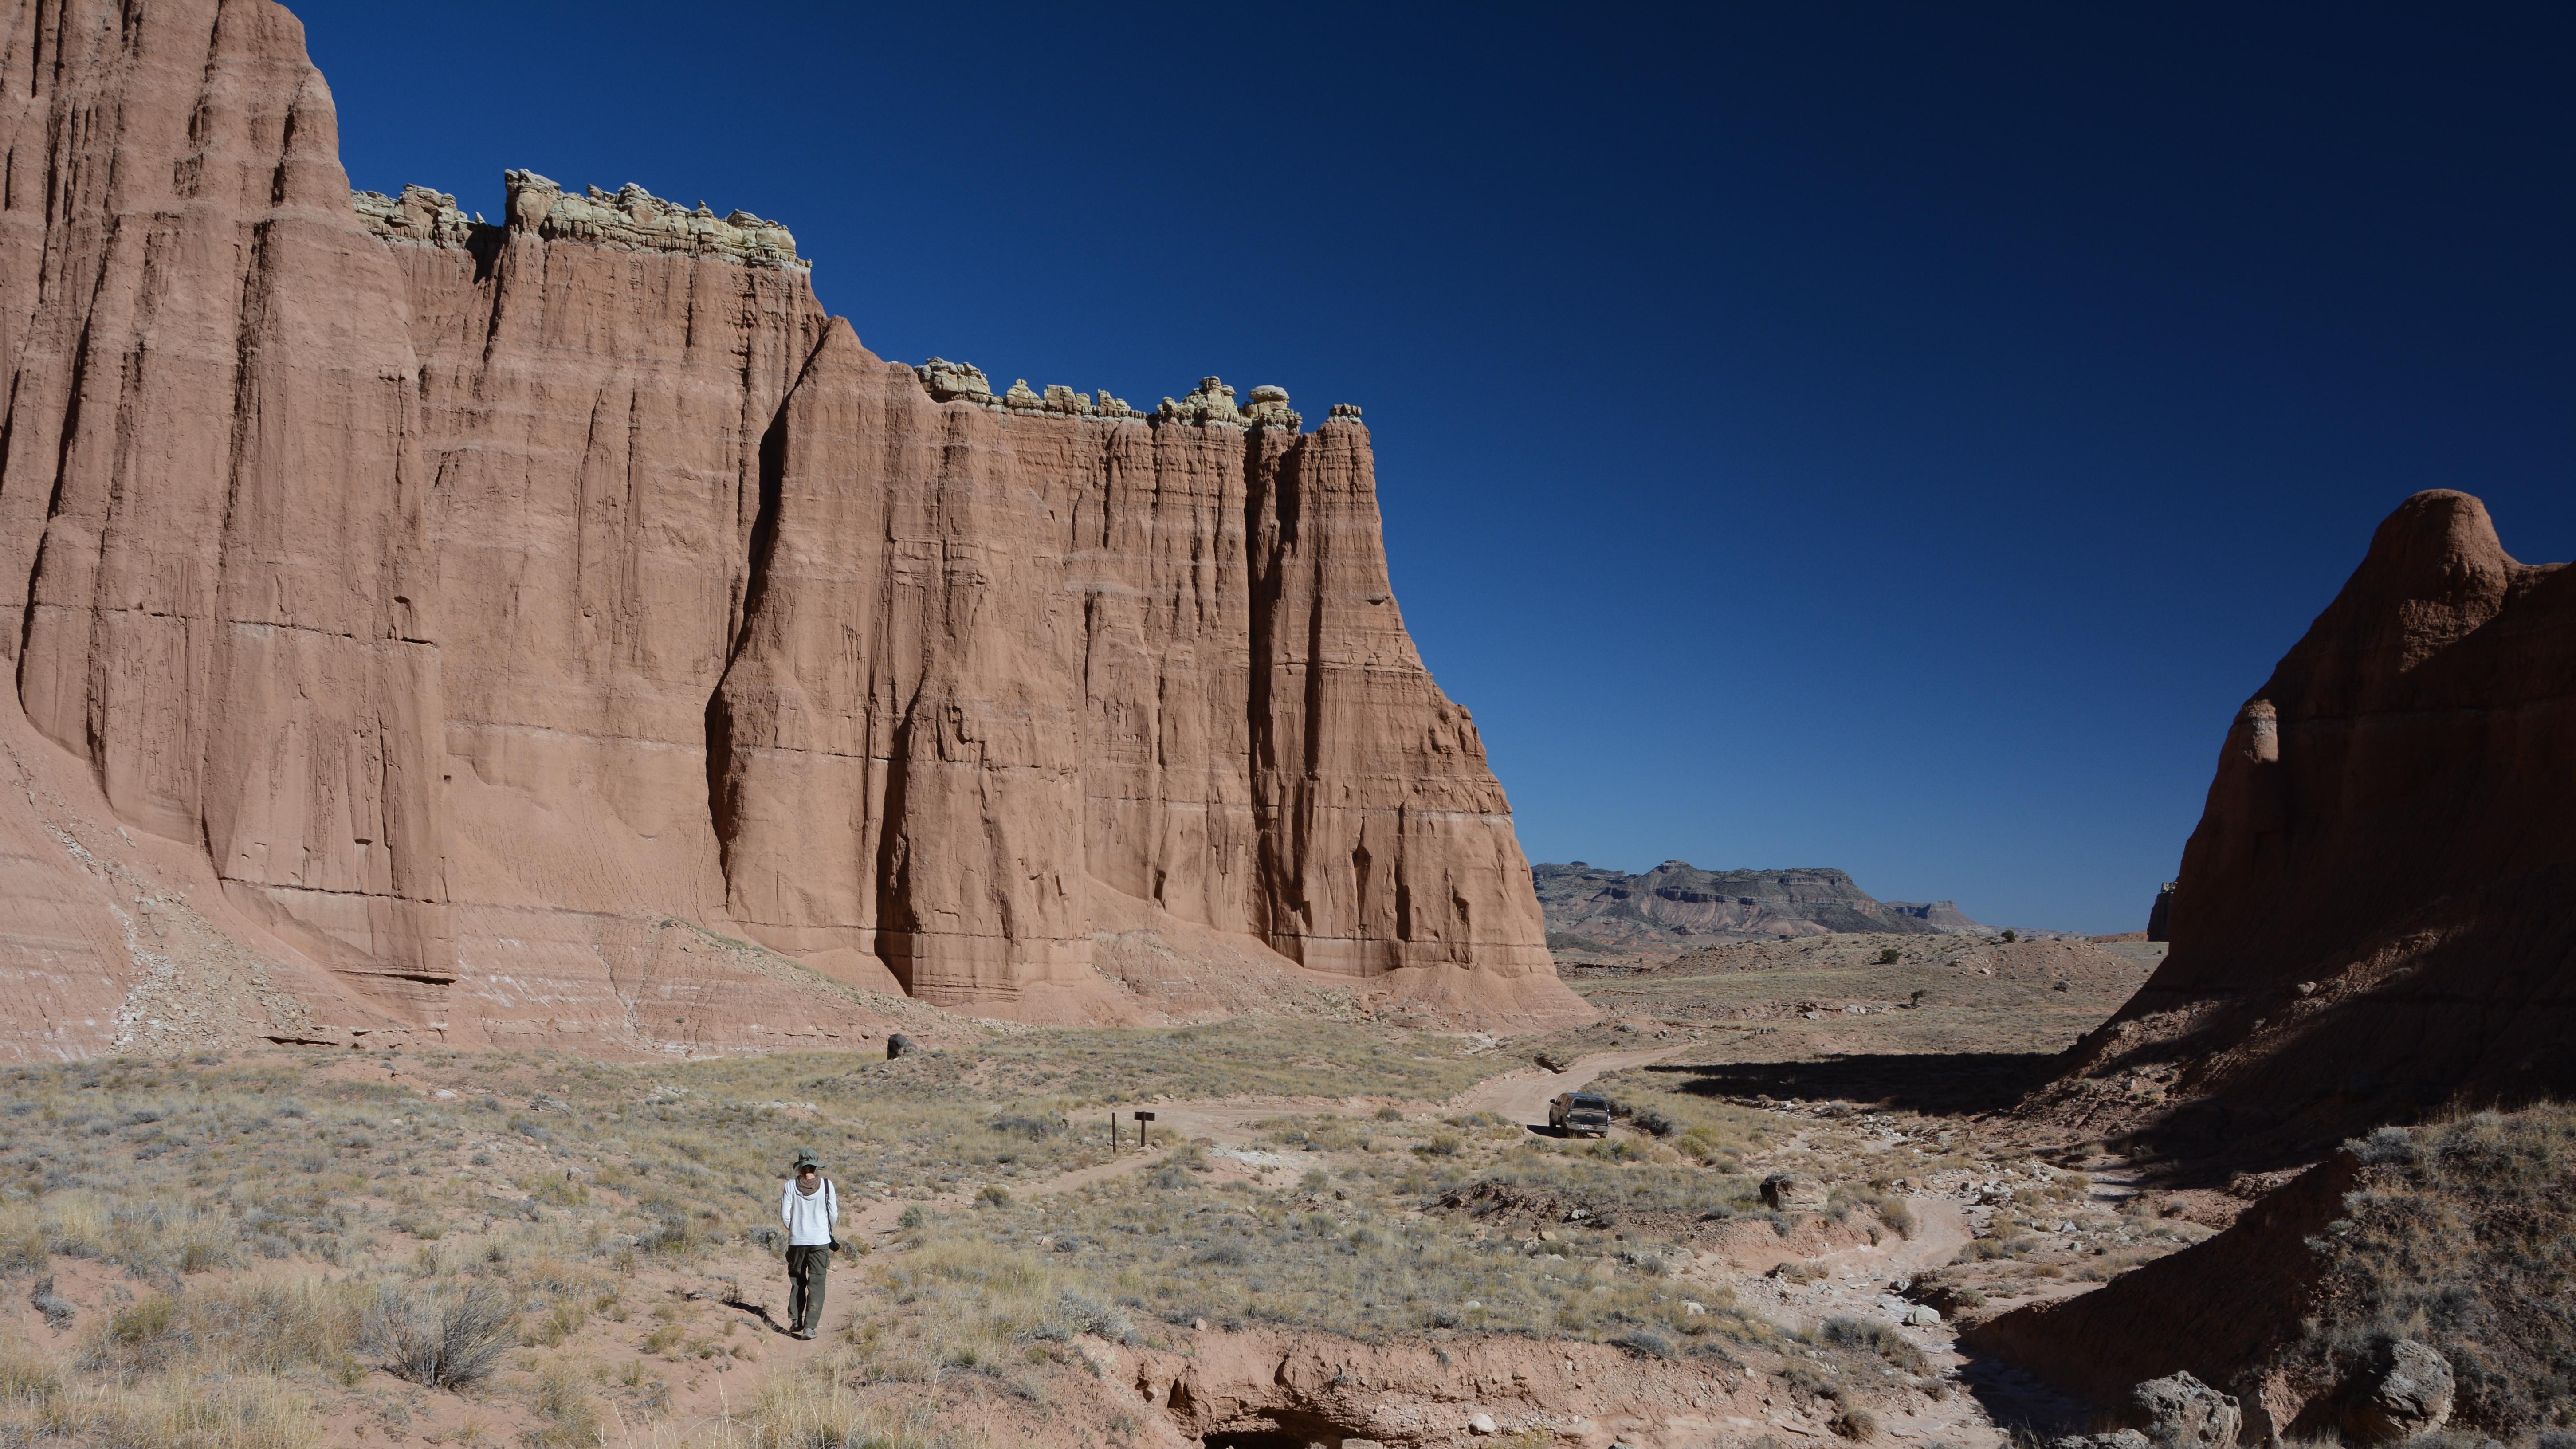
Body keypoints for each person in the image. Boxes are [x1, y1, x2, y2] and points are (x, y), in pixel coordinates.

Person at [779, 1147, 839, 1339]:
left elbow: (785, 1215)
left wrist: (796, 1230)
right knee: (817, 1283)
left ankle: (796, 1320)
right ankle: (809, 1327)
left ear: (801, 1166)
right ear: (815, 1165)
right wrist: (826, 1231)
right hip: (820, 1241)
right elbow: (834, 1215)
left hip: (797, 1241)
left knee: (797, 1281)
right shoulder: (828, 1186)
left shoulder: (790, 1186)